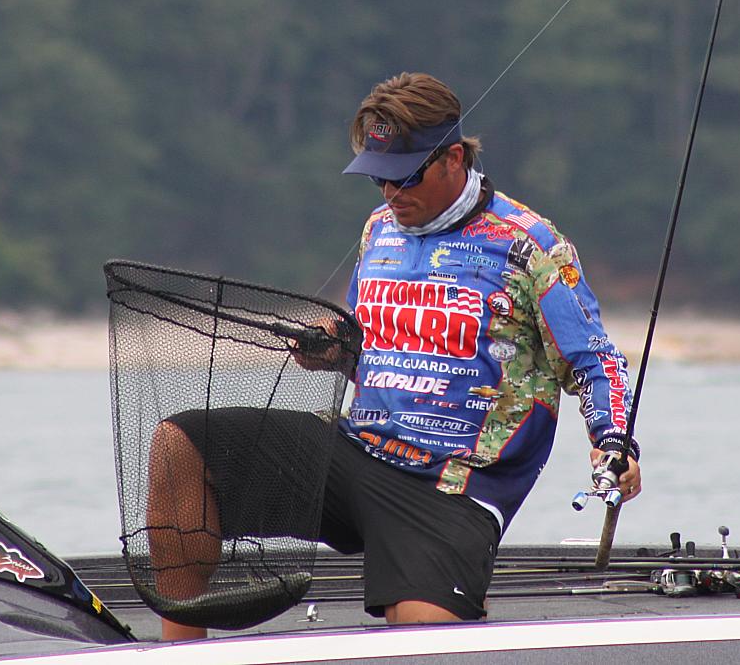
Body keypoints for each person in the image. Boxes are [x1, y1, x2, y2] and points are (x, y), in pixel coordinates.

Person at [149, 72, 640, 639]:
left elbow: (595, 360)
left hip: (454, 486)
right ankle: (179, 651)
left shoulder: (530, 244)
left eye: (404, 176)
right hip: (358, 452)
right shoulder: (379, 229)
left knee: (418, 642)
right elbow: (365, 343)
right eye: (377, 178)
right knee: (178, 445)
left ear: (454, 158)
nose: (390, 193)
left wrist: (613, 445)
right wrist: (331, 346)